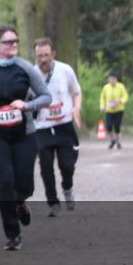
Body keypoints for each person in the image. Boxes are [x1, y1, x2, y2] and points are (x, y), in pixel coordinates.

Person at [0, 25, 51, 251]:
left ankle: (21, 201)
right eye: (8, 42)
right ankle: (12, 235)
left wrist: (27, 105)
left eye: (15, 41)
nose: (14, 45)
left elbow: (46, 96)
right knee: (5, 181)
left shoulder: (26, 69)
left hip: (24, 134)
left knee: (24, 185)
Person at [31, 38, 82, 217]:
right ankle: (53, 202)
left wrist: (76, 108)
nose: (42, 59)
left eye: (46, 55)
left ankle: (67, 187)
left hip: (64, 125)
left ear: (53, 54)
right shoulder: (31, 74)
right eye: (39, 56)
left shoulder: (65, 70)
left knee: (67, 165)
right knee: (45, 167)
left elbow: (76, 92)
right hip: (42, 128)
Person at [99, 72, 128, 150]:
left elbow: (125, 96)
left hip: (119, 110)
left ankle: (118, 141)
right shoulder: (106, 87)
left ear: (116, 79)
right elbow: (102, 97)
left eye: (113, 79)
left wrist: (120, 101)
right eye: (110, 79)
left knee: (117, 126)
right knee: (108, 126)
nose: (111, 80)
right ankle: (112, 140)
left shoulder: (121, 86)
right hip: (109, 110)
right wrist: (102, 105)